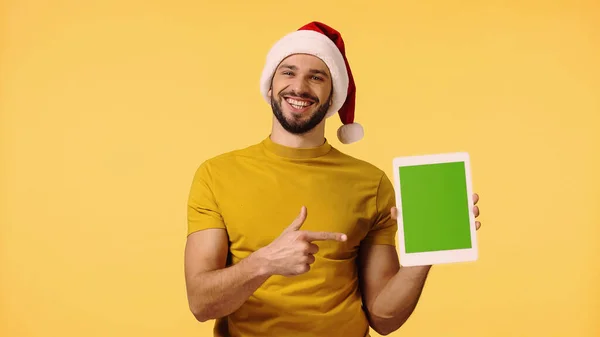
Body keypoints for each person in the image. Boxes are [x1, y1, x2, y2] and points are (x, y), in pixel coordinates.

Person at [184, 21, 482, 337]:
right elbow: (201, 304)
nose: (299, 86)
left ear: (333, 95)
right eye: (288, 72)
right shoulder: (216, 175)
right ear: (270, 86)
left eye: (317, 77)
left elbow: (384, 318)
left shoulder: (371, 183)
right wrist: (266, 262)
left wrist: (425, 253)